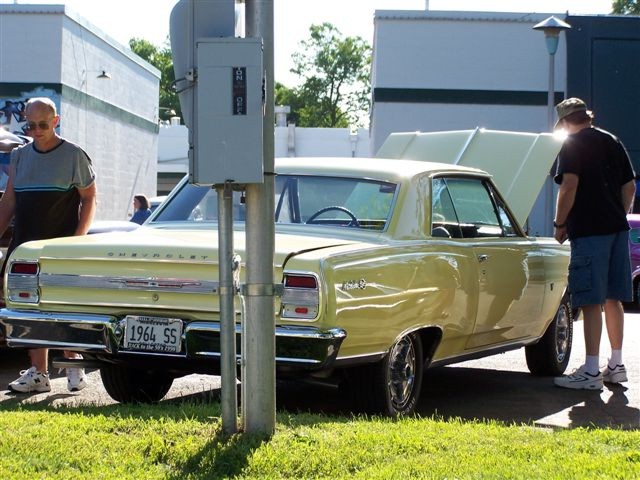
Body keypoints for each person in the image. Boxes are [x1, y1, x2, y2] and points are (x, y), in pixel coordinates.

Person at [0, 97, 97, 394]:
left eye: (43, 124)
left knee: (62, 306)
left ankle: (73, 363)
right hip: (25, 244)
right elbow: (9, 201)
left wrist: (77, 240)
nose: (36, 131)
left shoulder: (74, 155)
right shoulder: (19, 156)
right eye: (30, 125)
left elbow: (89, 198)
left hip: (61, 245)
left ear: (56, 121)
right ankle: (39, 374)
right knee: (28, 307)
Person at [552, 97, 635, 390]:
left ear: (565, 122)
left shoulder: (572, 144)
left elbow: (569, 185)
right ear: (586, 116)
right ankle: (616, 365)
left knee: (590, 300)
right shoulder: (612, 141)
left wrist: (560, 224)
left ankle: (590, 371)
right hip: (617, 230)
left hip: (589, 232)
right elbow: (630, 187)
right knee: (613, 298)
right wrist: (615, 214)